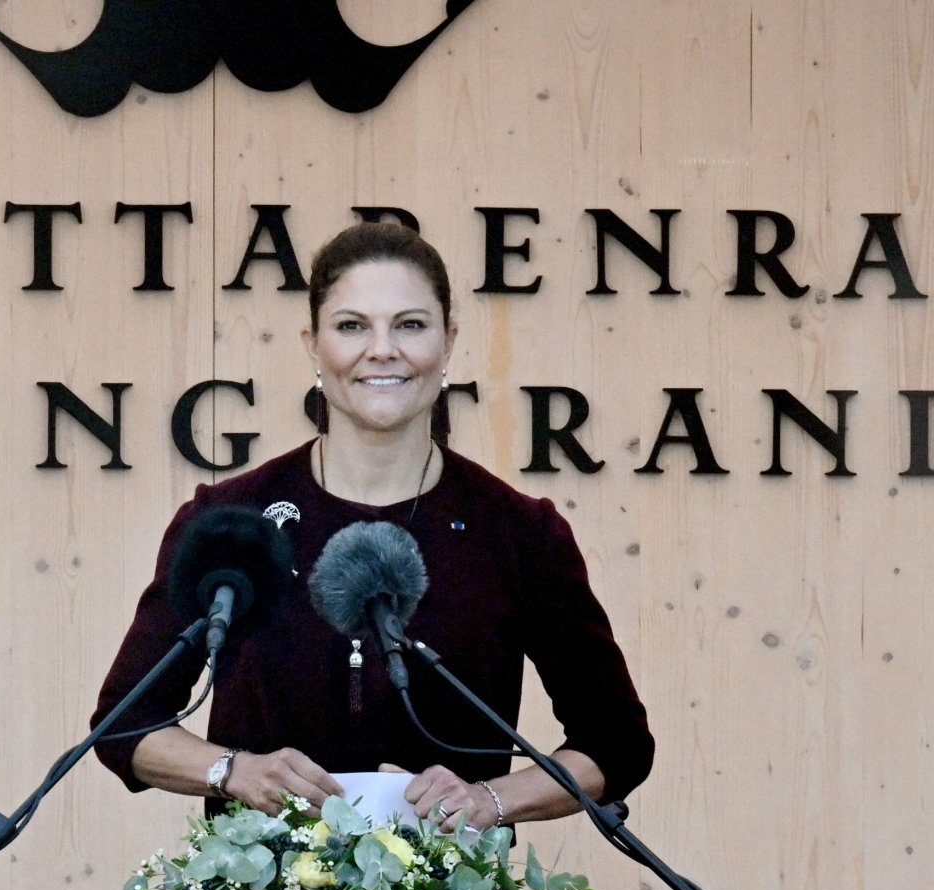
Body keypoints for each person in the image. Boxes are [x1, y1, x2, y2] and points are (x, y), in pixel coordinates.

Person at [92, 222, 653, 828]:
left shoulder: (518, 533)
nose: (381, 349)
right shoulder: (229, 523)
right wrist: (235, 771)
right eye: (352, 326)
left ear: (449, 341)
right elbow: (125, 725)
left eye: (410, 325)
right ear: (313, 344)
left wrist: (488, 801)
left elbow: (615, 745)